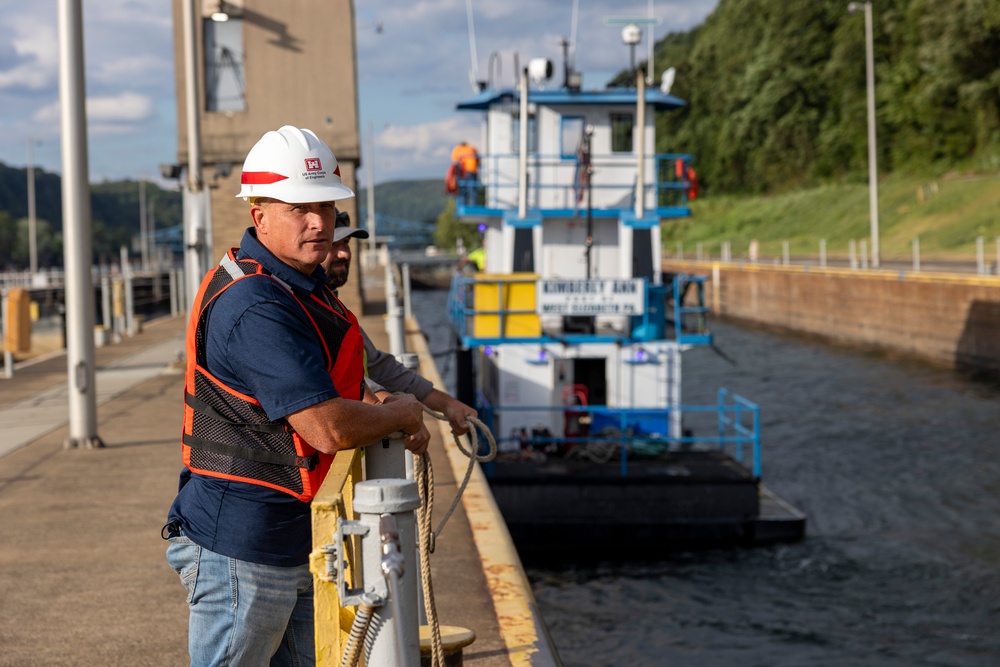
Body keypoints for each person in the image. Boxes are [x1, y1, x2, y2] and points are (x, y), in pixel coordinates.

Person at [163, 125, 426, 667]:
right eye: (298, 209)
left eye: (326, 209)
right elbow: (326, 427)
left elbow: (328, 392)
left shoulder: (295, 288)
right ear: (259, 216)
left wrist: (379, 410)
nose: (318, 223)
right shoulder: (258, 305)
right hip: (241, 546)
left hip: (288, 538)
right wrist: (402, 410)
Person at [323, 212, 477, 437]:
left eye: (346, 243)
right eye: (332, 244)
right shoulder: (305, 309)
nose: (344, 253)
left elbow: (378, 366)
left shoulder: (335, 306)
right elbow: (332, 379)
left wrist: (446, 403)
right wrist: (394, 413)